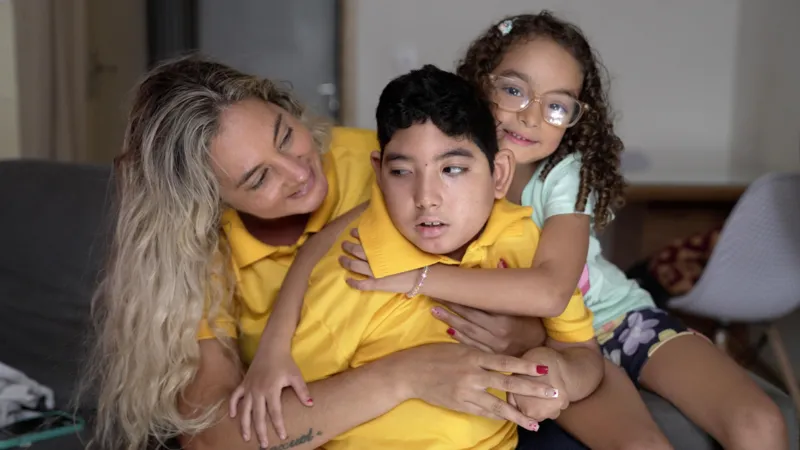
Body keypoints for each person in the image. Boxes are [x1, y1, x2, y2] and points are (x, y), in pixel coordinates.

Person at [340, 11, 789, 450]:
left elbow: (554, 290)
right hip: (548, 343)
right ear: (480, 83)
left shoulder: (562, 173)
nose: (531, 117)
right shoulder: (437, 167)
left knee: (760, 422)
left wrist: (412, 277)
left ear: (576, 118)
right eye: (515, 90)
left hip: (615, 317)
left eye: (556, 105)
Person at [79, 56, 556, 450]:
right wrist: (405, 376)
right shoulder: (201, 259)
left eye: (286, 135)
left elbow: (515, 262)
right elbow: (214, 442)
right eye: (259, 178)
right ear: (208, 202)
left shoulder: (388, 162)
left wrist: (524, 333)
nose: (297, 171)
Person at [232, 63, 603, 450]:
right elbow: (287, 421)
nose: (427, 197)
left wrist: (555, 373)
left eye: (453, 169)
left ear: (499, 174)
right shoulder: (355, 269)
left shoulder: (522, 240)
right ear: (378, 173)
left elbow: (582, 352)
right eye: (402, 172)